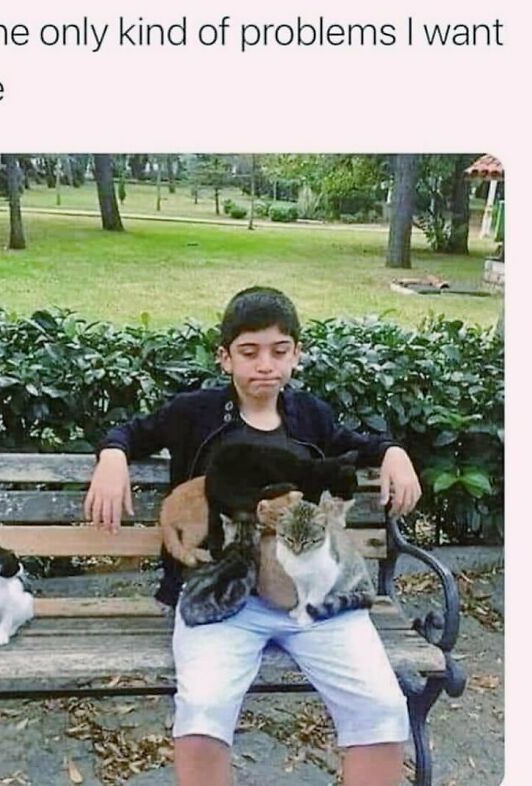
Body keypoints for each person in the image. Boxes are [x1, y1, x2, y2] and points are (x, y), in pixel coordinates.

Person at [85, 286, 421, 786]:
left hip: (314, 595)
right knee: (203, 705)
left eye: (279, 351)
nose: (266, 365)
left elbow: (358, 445)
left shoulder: (310, 416)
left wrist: (393, 452)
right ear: (225, 358)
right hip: (222, 597)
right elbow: (132, 431)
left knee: (380, 705)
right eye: (249, 352)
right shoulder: (193, 413)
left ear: (296, 355)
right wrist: (112, 456)